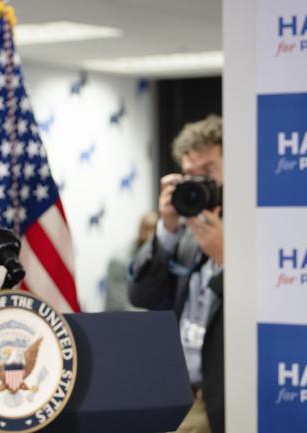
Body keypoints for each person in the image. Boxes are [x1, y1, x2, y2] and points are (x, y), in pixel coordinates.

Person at [128, 114, 224, 433]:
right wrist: (166, 228)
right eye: (189, 176)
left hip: (229, 395)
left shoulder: (261, 228)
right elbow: (142, 295)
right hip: (181, 392)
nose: (197, 185)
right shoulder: (185, 235)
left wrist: (225, 257)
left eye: (208, 173)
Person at [104, 212, 157, 311]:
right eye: (147, 229)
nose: (151, 235)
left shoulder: (165, 258)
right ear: (140, 231)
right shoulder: (119, 261)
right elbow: (119, 307)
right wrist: (157, 315)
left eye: (156, 230)